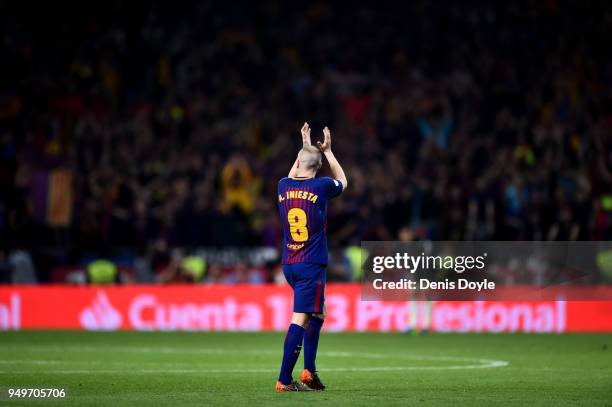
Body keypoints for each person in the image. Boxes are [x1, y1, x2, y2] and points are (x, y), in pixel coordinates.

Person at [275, 123, 348, 392]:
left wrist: (304, 144)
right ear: (318, 167)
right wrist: (328, 152)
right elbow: (344, 181)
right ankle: (284, 379)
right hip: (310, 264)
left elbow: (297, 169)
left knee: (319, 311)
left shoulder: (283, 185)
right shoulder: (322, 186)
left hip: (289, 263)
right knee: (301, 318)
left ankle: (309, 371)